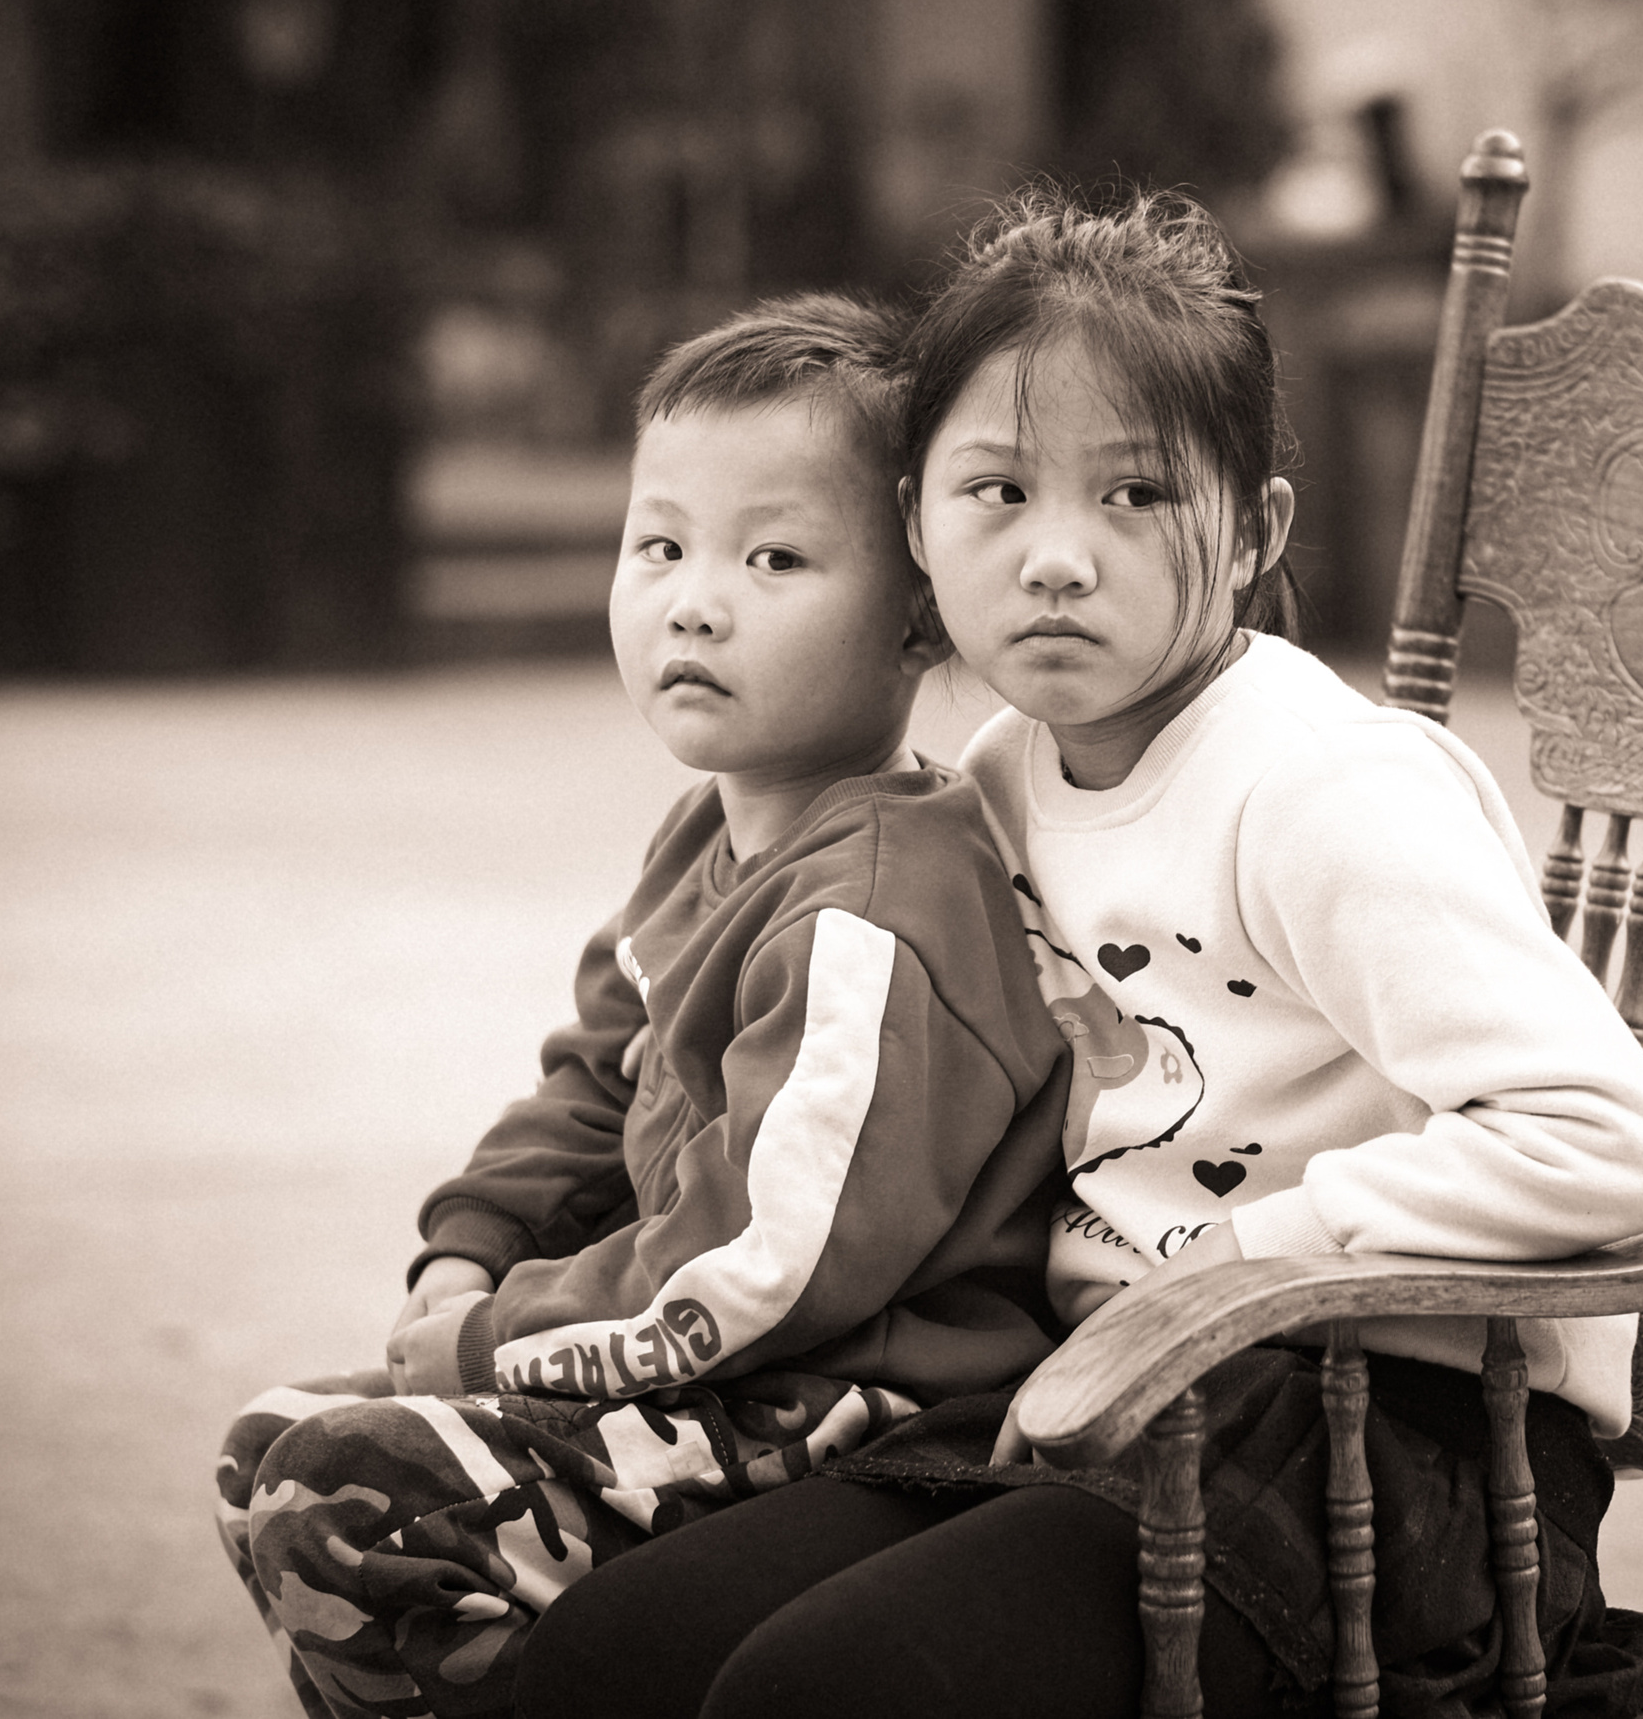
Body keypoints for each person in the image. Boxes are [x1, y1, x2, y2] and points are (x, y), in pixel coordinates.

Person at [513, 189, 1643, 1719]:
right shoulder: (1002, 778)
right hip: (1103, 1398)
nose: (1058, 557)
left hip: (1382, 1431)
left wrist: (1236, 1269)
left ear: (1257, 531)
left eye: (1137, 496)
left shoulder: (1324, 789)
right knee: (610, 1654)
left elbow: (1605, 1144)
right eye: (995, 492)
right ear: (915, 533)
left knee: (822, 1693)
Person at [213, 292, 1074, 1719]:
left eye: (774, 556)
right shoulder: (707, 839)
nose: (695, 597)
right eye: (660, 545)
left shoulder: (877, 901)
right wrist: (469, 1247)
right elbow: (594, 1079)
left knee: (343, 1494)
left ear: (921, 611)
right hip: (703, 1368)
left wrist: (497, 1342)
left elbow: (769, 1257)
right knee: (279, 1447)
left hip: (849, 1406)